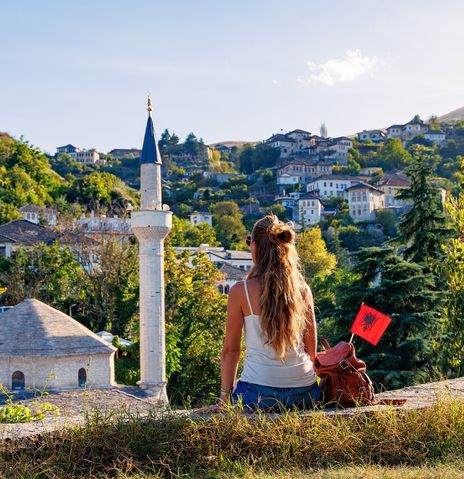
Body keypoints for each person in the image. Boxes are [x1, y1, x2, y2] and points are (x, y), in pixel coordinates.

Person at [197, 214, 321, 413]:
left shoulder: (240, 291)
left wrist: (224, 400)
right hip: (305, 393)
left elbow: (231, 351)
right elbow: (311, 350)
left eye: (249, 242)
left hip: (258, 393)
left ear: (254, 246)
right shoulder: (303, 290)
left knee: (241, 386)